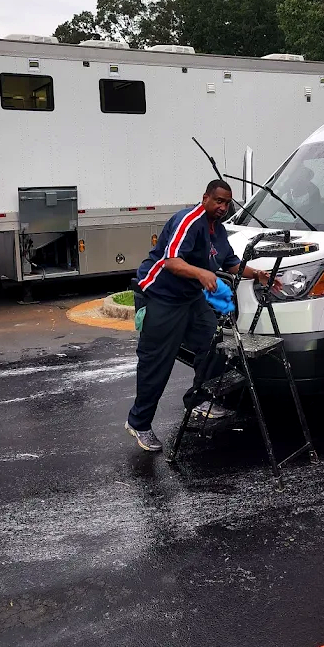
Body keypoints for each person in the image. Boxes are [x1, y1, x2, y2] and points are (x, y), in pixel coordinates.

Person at [125, 180, 276, 452]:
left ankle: (198, 400)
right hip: (161, 295)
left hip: (191, 298)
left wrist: (257, 274)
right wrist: (202, 273)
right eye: (218, 201)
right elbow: (171, 261)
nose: (223, 207)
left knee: (213, 344)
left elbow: (230, 263)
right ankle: (139, 423)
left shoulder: (219, 230)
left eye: (227, 203)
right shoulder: (188, 221)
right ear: (205, 198)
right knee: (156, 363)